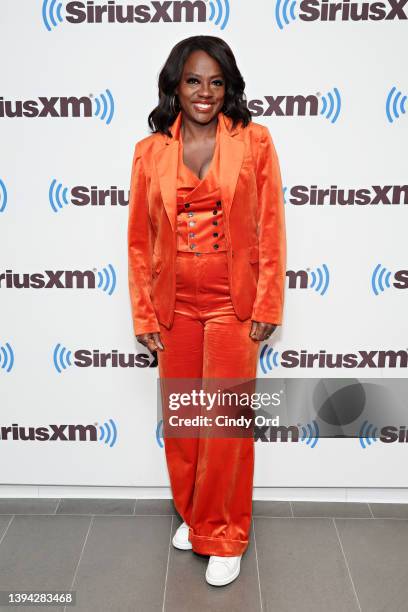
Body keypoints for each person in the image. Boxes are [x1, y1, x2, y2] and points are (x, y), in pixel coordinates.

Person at [127, 35, 286, 587]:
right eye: (194, 80)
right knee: (183, 422)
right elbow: (139, 241)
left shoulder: (255, 141)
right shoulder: (150, 152)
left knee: (223, 423)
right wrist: (145, 313)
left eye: (216, 82)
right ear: (175, 84)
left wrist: (267, 301)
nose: (205, 92)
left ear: (229, 88)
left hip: (232, 305)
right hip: (174, 304)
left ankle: (223, 534)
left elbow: (270, 226)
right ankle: (195, 514)